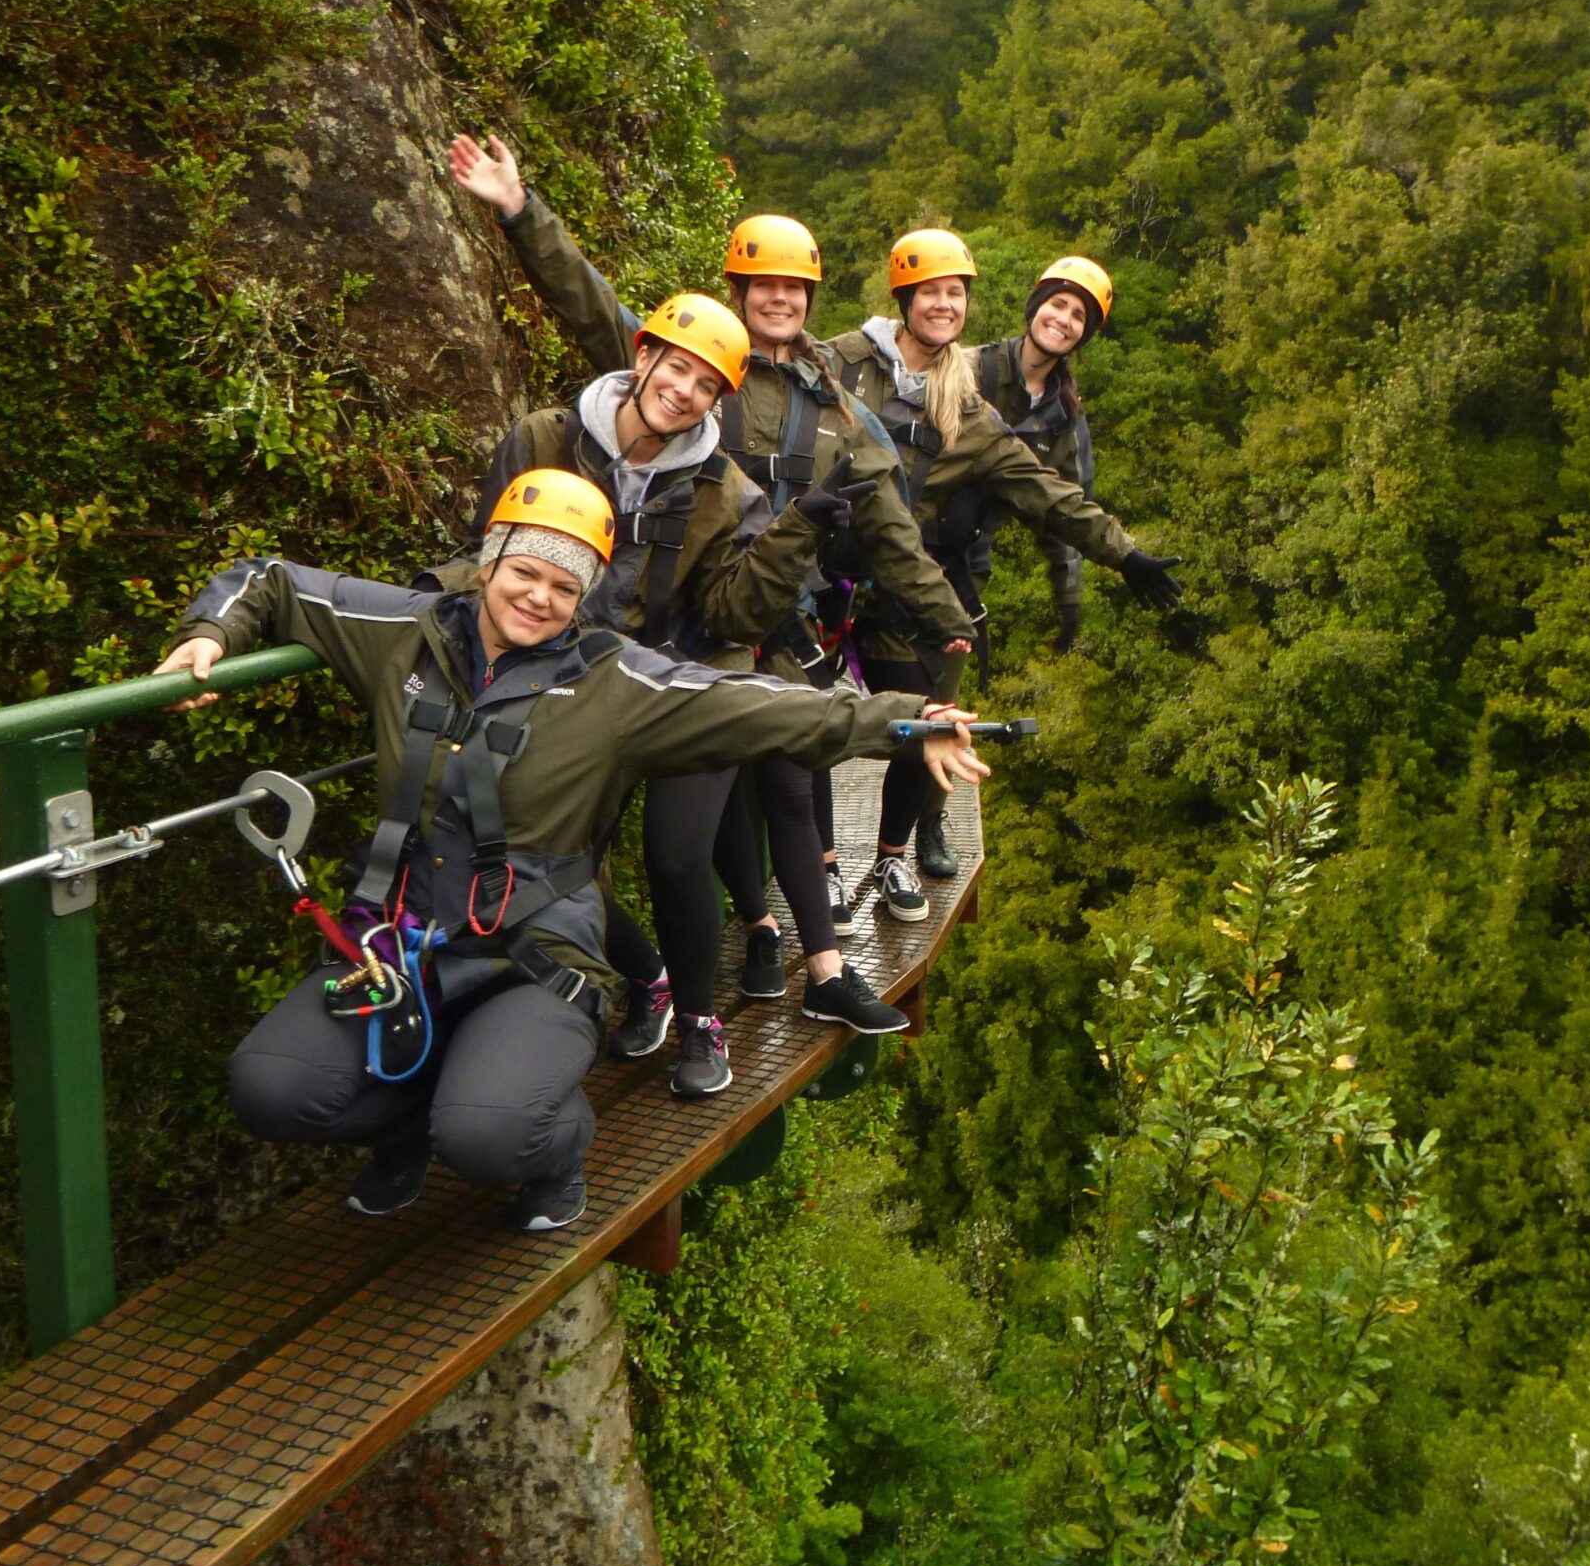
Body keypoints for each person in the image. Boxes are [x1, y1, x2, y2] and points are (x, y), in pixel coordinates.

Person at [151, 468, 988, 1233]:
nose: (539, 597)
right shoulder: (407, 633)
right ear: (489, 564)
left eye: (565, 585)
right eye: (524, 572)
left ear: (585, 596)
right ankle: (410, 1126)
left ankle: (555, 1150)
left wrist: (909, 724)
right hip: (401, 940)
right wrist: (210, 634)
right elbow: (275, 580)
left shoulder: (615, 684)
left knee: (488, 1135)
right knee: (268, 1087)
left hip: (536, 951)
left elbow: (762, 706)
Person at [447, 133, 971, 1040]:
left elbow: (886, 518)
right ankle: (746, 941)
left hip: (763, 613)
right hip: (669, 621)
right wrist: (520, 212)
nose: (778, 298)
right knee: (706, 810)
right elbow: (589, 305)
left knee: (790, 781)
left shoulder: (836, 403)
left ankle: (819, 963)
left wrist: (943, 618)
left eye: (794, 287)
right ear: (736, 293)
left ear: (810, 299)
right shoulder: (699, 363)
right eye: (763, 283)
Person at [421, 277, 848, 1100]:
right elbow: (494, 555)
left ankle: (698, 1020)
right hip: (564, 672)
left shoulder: (728, 490)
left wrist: (800, 534)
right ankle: (646, 974)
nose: (682, 391)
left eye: (705, 384)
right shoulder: (544, 438)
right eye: (674, 367)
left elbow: (733, 609)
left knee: (678, 853)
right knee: (545, 851)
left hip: (679, 673)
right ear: (643, 355)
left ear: (717, 400)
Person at [826, 229, 1181, 922]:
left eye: (955, 293)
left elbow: (1050, 492)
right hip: (823, 571)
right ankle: (824, 871)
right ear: (904, 297)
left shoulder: (972, 409)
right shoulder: (848, 365)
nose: (943, 304)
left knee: (920, 720)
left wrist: (1124, 554)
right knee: (800, 723)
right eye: (930, 292)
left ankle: (894, 853)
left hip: (917, 581)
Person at [968, 255, 1116, 658]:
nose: (1064, 319)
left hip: (967, 569)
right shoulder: (975, 371)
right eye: (1057, 304)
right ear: (1035, 307)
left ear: (1083, 334)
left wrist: (1069, 602)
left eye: (1078, 315)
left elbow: (1067, 508)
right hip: (909, 548)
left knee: (934, 702)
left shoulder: (1063, 415)